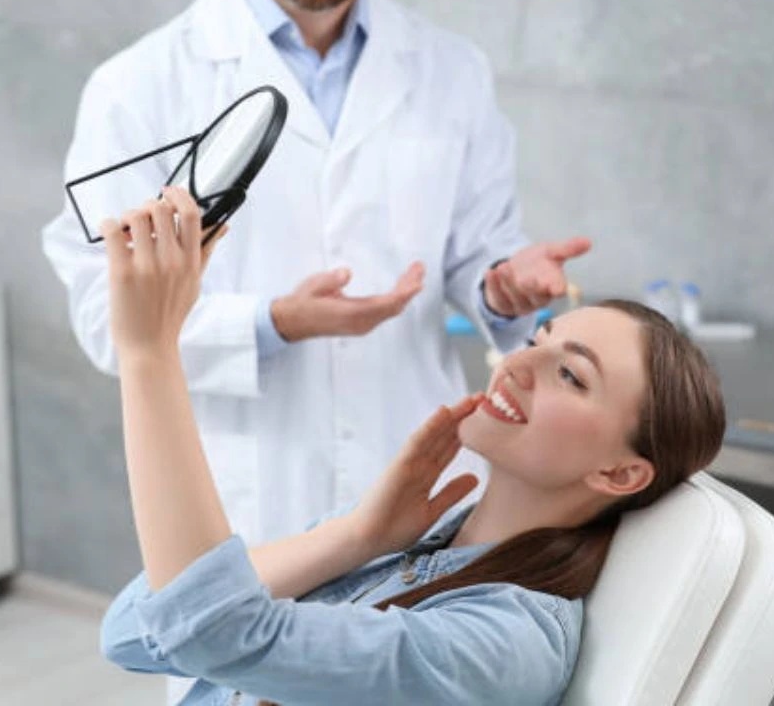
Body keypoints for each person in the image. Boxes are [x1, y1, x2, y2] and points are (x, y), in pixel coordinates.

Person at [41, 0, 591, 553]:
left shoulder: (451, 69)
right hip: (250, 490)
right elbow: (104, 311)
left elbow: (479, 248)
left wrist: (502, 286)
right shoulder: (137, 85)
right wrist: (272, 324)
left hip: (415, 468)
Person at [96, 190, 726, 705]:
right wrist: (355, 537)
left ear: (620, 472)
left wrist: (150, 354)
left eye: (571, 375)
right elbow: (131, 629)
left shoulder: (507, 643)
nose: (520, 363)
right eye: (539, 336)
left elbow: (207, 631)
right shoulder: (402, 548)